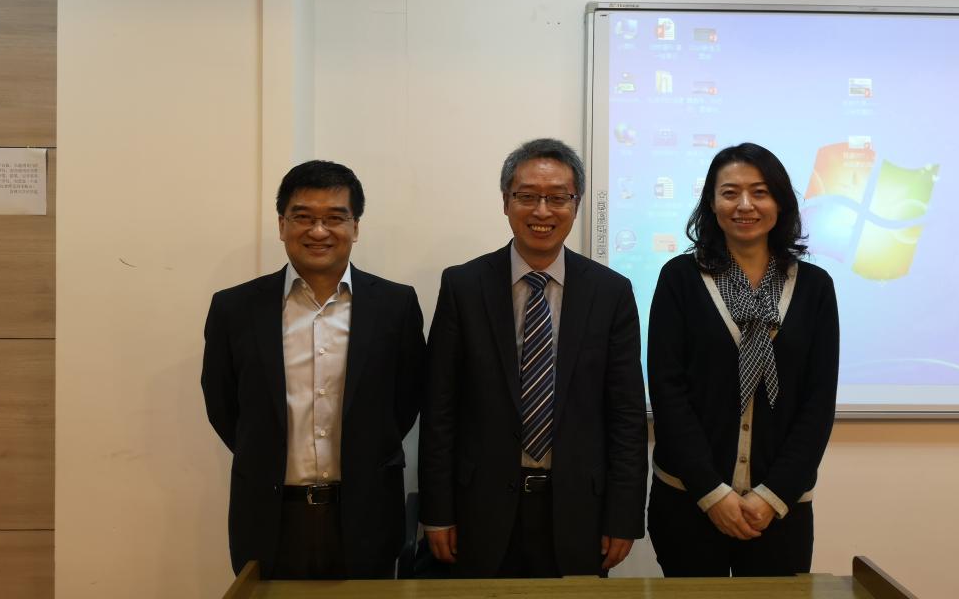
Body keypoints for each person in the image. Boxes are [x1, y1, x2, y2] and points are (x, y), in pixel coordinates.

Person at [418, 138, 648, 578]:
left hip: (579, 509)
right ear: (506, 202)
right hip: (479, 508)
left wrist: (623, 515)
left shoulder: (610, 292)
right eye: (527, 196)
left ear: (576, 205)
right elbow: (439, 410)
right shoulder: (464, 287)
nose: (542, 211)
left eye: (558, 197)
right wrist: (437, 511)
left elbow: (626, 415)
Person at [201, 161, 426, 579]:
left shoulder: (395, 306)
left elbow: (406, 401)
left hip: (367, 516)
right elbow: (224, 407)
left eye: (334, 218)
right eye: (303, 217)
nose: (318, 231)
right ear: (281, 224)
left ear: (355, 227)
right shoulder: (235, 309)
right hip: (270, 518)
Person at [646, 142, 839, 577]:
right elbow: (667, 391)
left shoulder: (814, 287)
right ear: (711, 203)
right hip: (688, 500)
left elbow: (818, 402)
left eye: (760, 192)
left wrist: (773, 495)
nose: (745, 205)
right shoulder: (680, 278)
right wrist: (712, 492)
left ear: (780, 202)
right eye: (730, 193)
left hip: (780, 508)